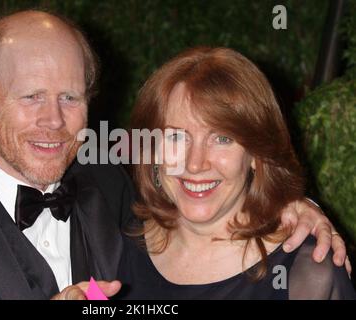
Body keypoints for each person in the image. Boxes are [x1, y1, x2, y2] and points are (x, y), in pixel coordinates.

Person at [0, 10, 348, 300]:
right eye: (31, 96)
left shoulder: (110, 182)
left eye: (70, 98)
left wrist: (292, 205)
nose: (54, 120)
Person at [116, 47, 355, 299]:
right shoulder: (114, 250)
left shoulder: (308, 275)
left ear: (257, 154)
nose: (196, 164)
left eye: (222, 138)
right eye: (176, 137)